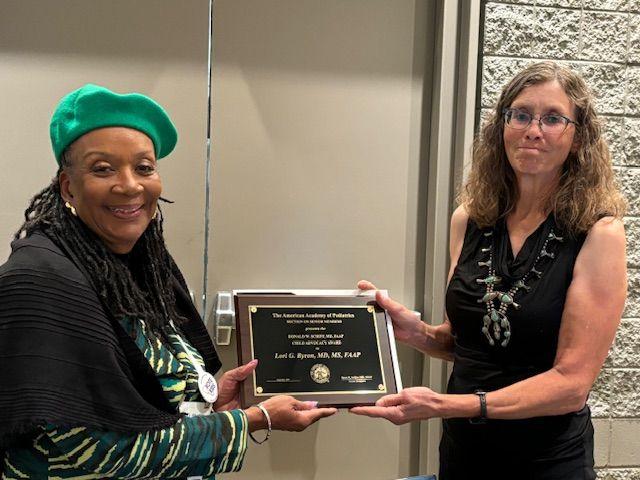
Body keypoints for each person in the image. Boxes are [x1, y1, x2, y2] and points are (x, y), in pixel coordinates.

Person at [0, 84, 336, 479]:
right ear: (68, 186)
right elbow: (91, 448)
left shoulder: (139, 267)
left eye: (144, 167)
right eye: (102, 168)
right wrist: (252, 421)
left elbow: (139, 400)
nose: (130, 185)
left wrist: (205, 405)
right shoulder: (37, 281)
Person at [351, 61, 627, 480]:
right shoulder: (470, 219)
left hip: (547, 461)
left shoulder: (598, 233)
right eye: (520, 114)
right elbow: (468, 344)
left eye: (553, 118)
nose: (533, 130)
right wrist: (416, 333)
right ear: (502, 126)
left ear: (578, 136)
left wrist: (448, 405)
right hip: (465, 455)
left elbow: (571, 386)